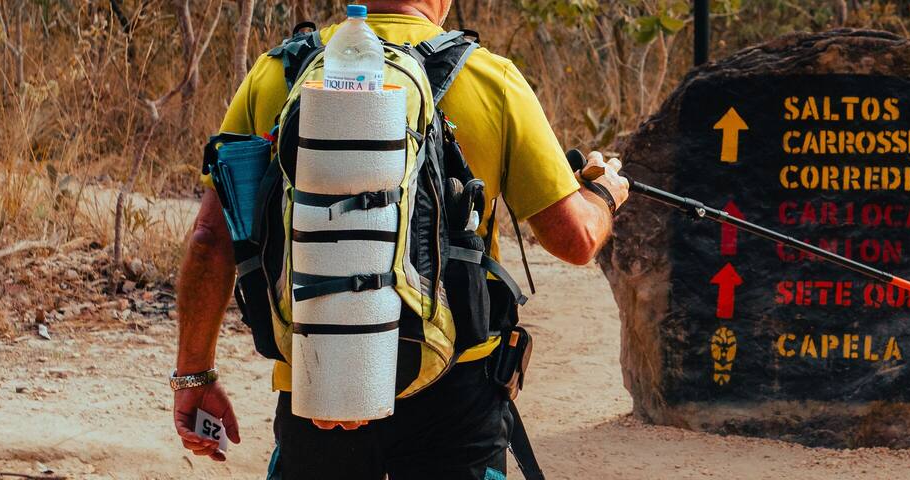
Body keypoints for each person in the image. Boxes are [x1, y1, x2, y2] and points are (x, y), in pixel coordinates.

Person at [168, 1, 630, 478]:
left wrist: (194, 374)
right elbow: (575, 239)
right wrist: (603, 194)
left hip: (320, 386)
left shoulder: (279, 73)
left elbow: (210, 238)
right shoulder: (492, 79)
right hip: (456, 399)